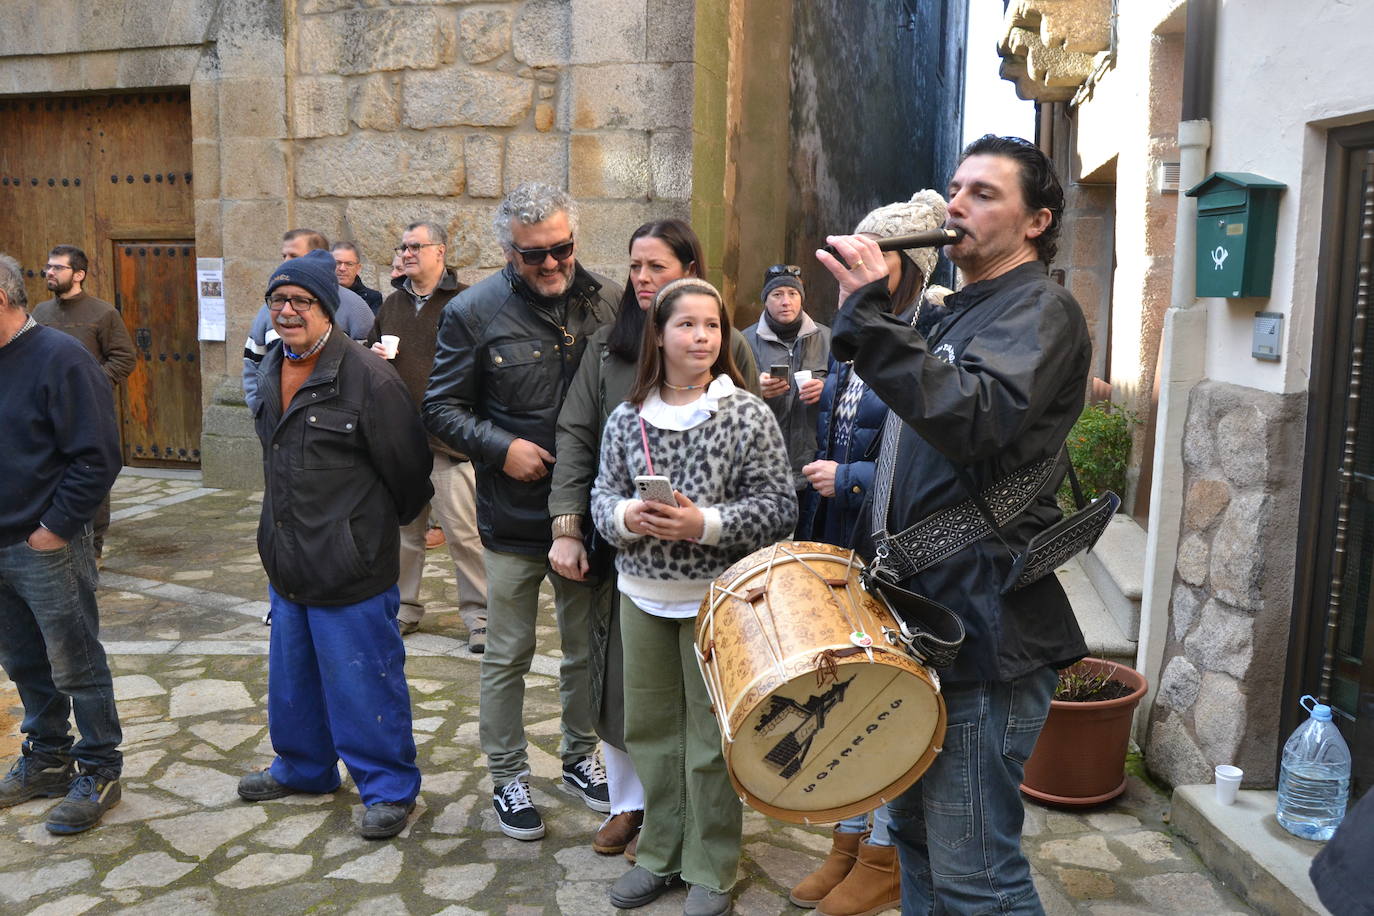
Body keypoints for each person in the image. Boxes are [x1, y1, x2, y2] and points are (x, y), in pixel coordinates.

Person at [816, 135, 1092, 914]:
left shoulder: (1042, 310)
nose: (955, 205)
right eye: (955, 187)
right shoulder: (955, 313)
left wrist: (872, 315)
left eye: (983, 194)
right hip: (925, 624)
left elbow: (975, 419)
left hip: (986, 635)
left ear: (1037, 221)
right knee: (914, 846)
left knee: (980, 877)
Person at [549, 218, 761, 860]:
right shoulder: (606, 348)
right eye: (635, 266)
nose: (641, 279)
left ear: (689, 270)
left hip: (706, 561)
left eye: (656, 267)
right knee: (618, 688)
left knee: (700, 698)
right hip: (623, 553)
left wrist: (716, 522)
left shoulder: (727, 350)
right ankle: (629, 806)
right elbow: (577, 436)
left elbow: (757, 448)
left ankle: (699, 823)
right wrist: (569, 525)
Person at [592, 277, 796, 916]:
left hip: (718, 602)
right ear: (660, 333)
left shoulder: (746, 414)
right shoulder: (628, 417)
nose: (701, 337)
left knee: (711, 739)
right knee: (651, 731)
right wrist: (629, 515)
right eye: (686, 325)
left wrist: (701, 524)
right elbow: (600, 498)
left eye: (712, 325)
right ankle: (659, 853)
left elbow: (779, 507)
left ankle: (710, 865)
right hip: (642, 596)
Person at [424, 182, 619, 841]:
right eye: (533, 255)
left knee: (586, 651)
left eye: (561, 249)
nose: (551, 264)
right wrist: (499, 448)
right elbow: (440, 408)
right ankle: (508, 774)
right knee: (507, 650)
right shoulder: (473, 311)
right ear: (509, 252)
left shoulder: (609, 304)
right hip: (511, 515)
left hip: (588, 516)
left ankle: (578, 757)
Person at [236, 248, 434, 840]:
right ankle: (304, 768)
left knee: (363, 679)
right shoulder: (273, 364)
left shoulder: (369, 378)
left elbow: (409, 473)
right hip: (288, 557)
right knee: (293, 680)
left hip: (350, 564)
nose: (288, 311)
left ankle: (388, 789)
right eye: (278, 301)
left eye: (302, 301)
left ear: (329, 308)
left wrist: (356, 536)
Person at [791, 189, 948, 916]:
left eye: (870, 254)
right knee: (848, 692)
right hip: (845, 543)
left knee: (889, 699)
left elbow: (925, 453)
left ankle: (884, 853)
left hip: (897, 549)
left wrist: (848, 479)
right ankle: (847, 842)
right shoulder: (857, 335)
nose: (852, 265)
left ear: (907, 266)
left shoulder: (928, 336)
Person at [0, 251, 125, 834]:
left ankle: (99, 767)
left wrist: (53, 529)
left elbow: (98, 455)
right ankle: (47, 757)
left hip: (45, 544)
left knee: (75, 661)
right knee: (23, 660)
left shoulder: (61, 358)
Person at [365, 221, 487, 647]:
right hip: (400, 441)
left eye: (417, 245)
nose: (408, 252)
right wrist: (376, 355)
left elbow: (487, 362)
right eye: (403, 246)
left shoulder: (469, 300)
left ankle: (480, 616)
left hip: (448, 441)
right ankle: (403, 609)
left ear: (441, 251)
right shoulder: (393, 304)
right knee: (404, 535)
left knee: (464, 534)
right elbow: (370, 355)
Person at [31, 244, 136, 561]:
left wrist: (90, 386)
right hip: (46, 412)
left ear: (79, 274)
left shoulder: (103, 313)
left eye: (57, 268)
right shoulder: (39, 313)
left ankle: (93, 549)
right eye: (48, 266)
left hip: (88, 411)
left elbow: (124, 359)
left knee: (91, 471)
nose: (49, 272)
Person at [242, 229, 375, 413]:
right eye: (284, 255)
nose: (286, 262)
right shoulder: (269, 310)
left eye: (294, 256)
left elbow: (366, 372)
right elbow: (252, 364)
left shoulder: (356, 308)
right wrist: (261, 412)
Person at [742, 266, 830, 497]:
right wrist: (754, 387)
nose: (785, 301)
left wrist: (826, 389)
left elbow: (851, 390)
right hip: (762, 463)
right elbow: (722, 393)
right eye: (777, 294)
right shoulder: (744, 342)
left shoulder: (828, 338)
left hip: (815, 461)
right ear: (765, 300)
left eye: (793, 294)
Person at [332, 240, 384, 314]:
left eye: (349, 264)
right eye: (337, 263)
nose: (342, 268)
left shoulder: (372, 298)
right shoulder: (319, 293)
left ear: (358, 268)